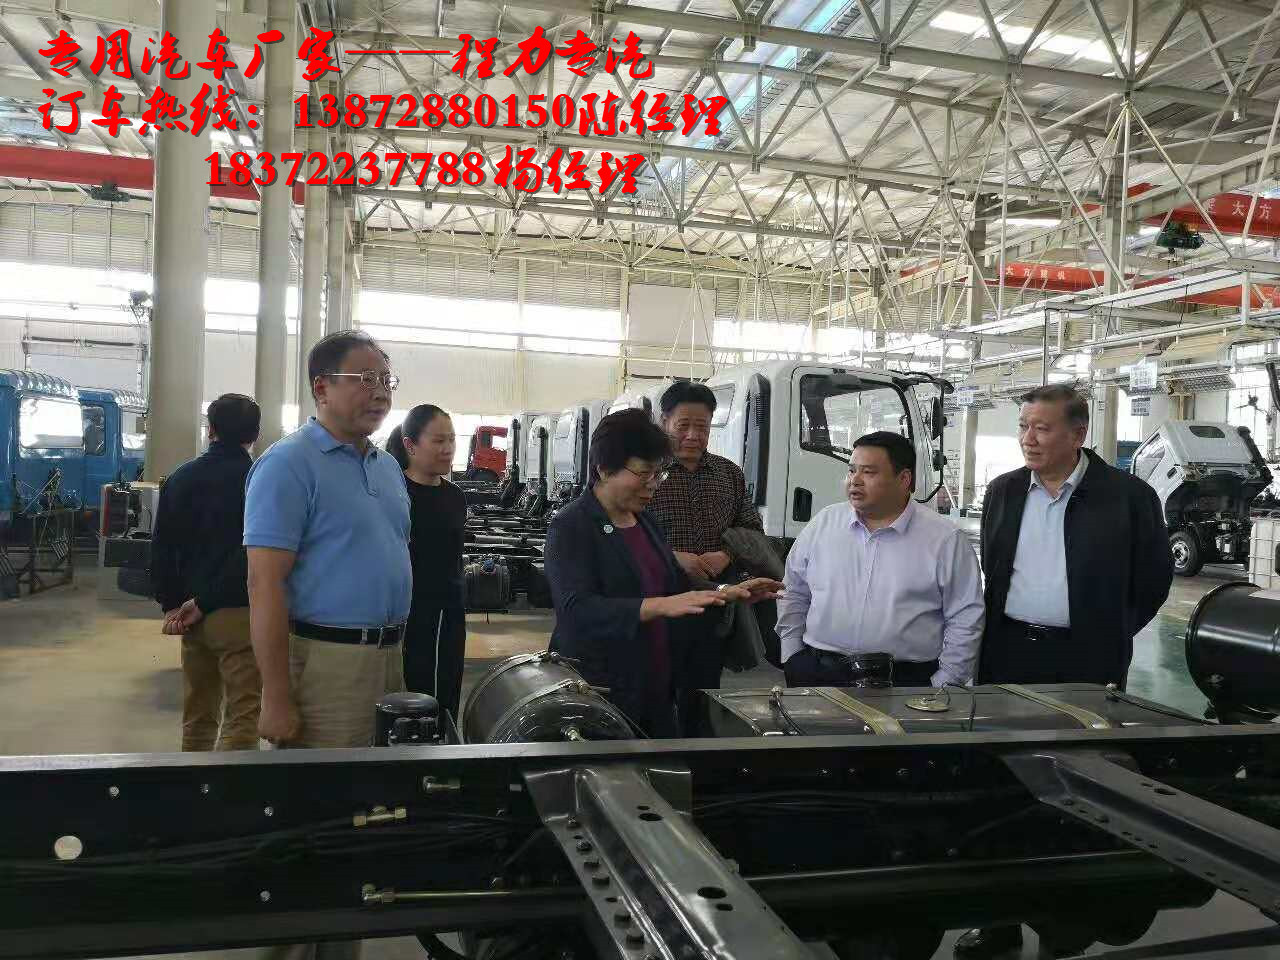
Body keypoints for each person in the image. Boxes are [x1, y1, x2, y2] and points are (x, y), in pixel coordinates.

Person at [956, 385, 1173, 960]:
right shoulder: (1004, 491)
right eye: (1023, 426)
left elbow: (1153, 580)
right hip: (1009, 656)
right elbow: (994, 570)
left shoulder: (1127, 497)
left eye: (1042, 427)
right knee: (1000, 787)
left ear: (1078, 434)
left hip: (1086, 664)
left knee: (1079, 786)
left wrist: (1107, 632)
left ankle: (1064, 924)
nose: (1028, 438)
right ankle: (999, 919)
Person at [544, 409, 781, 737]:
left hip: (655, 680)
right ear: (604, 469)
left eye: (659, 474)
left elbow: (674, 584)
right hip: (600, 688)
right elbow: (576, 609)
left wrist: (724, 593)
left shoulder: (644, 521)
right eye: (644, 474)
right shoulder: (571, 525)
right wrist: (658, 606)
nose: (653, 485)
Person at [244, 329, 411, 758]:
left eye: (386, 380)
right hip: (327, 665)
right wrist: (275, 697)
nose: (381, 392)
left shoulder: (388, 467)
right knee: (328, 791)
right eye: (366, 379)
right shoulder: (288, 464)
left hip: (391, 656)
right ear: (322, 388)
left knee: (380, 788)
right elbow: (264, 584)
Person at [777, 431, 985, 689]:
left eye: (869, 472)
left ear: (904, 479)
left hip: (903, 681)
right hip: (818, 672)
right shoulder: (824, 524)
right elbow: (793, 590)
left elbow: (965, 616)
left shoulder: (944, 539)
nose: (855, 481)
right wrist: (792, 654)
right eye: (852, 471)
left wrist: (944, 683)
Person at [150, 393, 262, 752]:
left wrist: (172, 604)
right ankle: (230, 787)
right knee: (243, 715)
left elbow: (162, 548)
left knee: (197, 714)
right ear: (255, 434)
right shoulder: (258, 480)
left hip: (189, 616)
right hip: (239, 613)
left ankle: (193, 783)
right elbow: (254, 553)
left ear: (210, 429)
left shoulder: (180, 477)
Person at [386, 405, 468, 725]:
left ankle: (443, 749)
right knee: (413, 699)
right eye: (438, 441)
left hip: (450, 613)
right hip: (409, 614)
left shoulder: (455, 496)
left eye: (451, 440)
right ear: (410, 445)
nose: (448, 449)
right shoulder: (396, 494)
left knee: (446, 693)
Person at [647, 380, 764, 581]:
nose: (692, 436)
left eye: (702, 427)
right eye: (683, 426)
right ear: (665, 422)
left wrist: (727, 555)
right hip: (660, 588)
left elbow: (752, 530)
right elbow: (624, 535)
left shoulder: (729, 473)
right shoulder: (647, 473)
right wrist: (670, 558)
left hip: (722, 590)